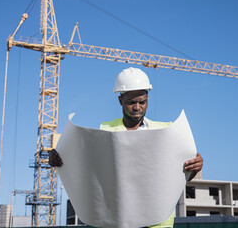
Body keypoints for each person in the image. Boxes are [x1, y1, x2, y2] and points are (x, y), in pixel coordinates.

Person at [49, 67, 203, 228]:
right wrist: (62, 160)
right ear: (120, 100)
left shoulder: (165, 131)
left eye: (142, 102)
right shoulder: (106, 130)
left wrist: (193, 168)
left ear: (148, 99)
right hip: (116, 221)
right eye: (131, 102)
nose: (137, 107)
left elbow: (175, 180)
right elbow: (91, 172)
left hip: (157, 223)